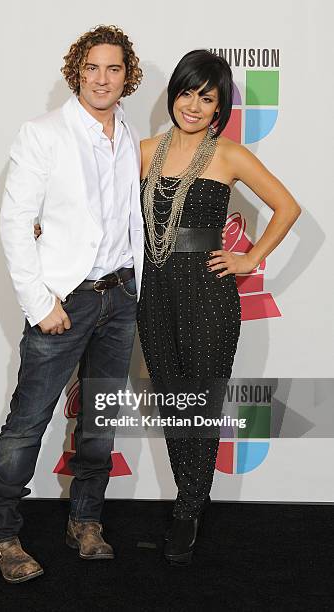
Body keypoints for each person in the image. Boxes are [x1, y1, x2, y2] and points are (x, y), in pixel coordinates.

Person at [0, 25, 143, 583]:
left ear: (128, 77)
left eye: (114, 68)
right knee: (28, 422)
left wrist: (135, 289)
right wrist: (38, 302)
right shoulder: (43, 133)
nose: (102, 78)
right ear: (77, 70)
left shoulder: (128, 136)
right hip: (64, 300)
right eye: (93, 67)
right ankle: (2, 534)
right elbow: (13, 223)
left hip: (120, 298)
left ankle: (86, 520)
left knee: (99, 421)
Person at [137, 49, 301, 565]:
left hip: (208, 294)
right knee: (172, 400)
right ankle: (192, 498)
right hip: (154, 292)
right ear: (173, 95)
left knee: (201, 402)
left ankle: (187, 511)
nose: (193, 104)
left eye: (206, 98)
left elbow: (287, 206)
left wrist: (250, 258)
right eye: (186, 92)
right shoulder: (141, 151)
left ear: (218, 108)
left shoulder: (229, 155)